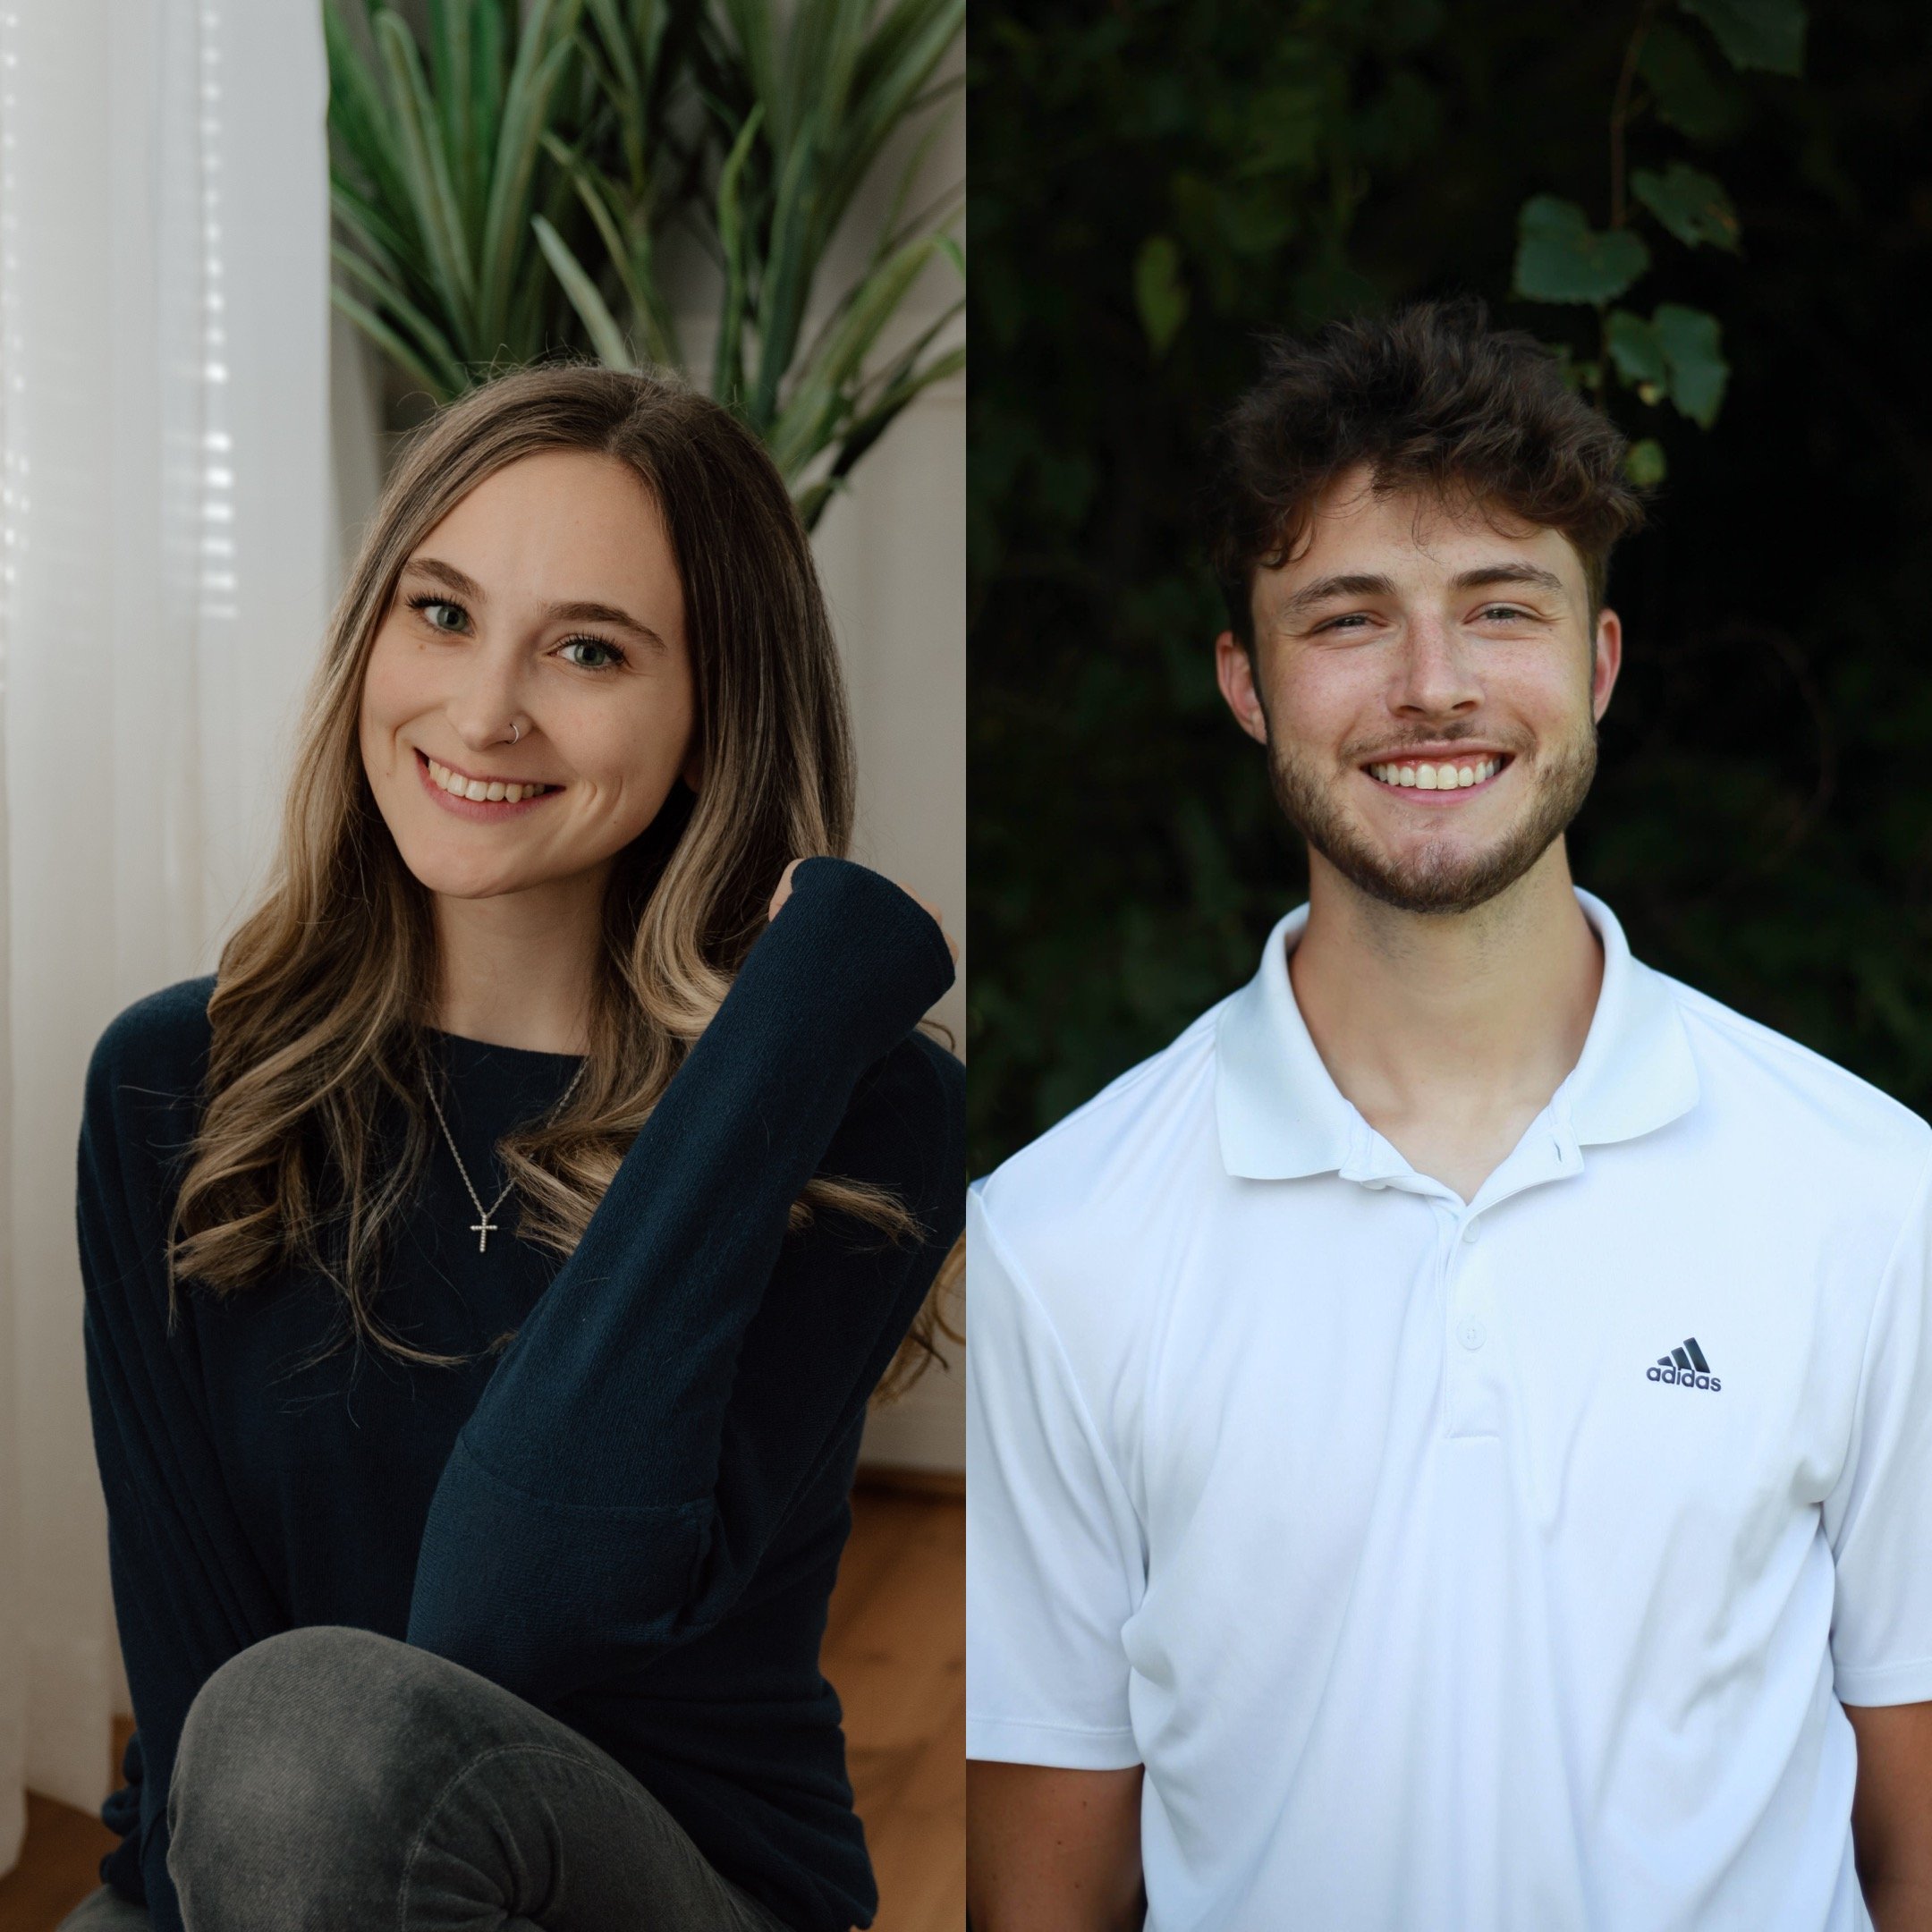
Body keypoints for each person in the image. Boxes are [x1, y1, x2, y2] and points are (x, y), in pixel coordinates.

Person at [964, 301, 1932, 1931]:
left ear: (1597, 663)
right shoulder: (1058, 1242)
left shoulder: (1868, 1191)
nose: (1433, 687)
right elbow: (1048, 1894)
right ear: (1247, 682)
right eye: (1349, 619)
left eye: (1500, 609)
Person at [68, 364, 964, 1932]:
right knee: (277, 1761)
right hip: (248, 1876)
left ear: (715, 719)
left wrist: (796, 1012)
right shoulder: (175, 1084)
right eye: (442, 614)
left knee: (311, 1744)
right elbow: (197, 1688)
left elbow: (515, 1617)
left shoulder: (845, 1107)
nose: (485, 712)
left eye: (589, 649)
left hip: (671, 1882)